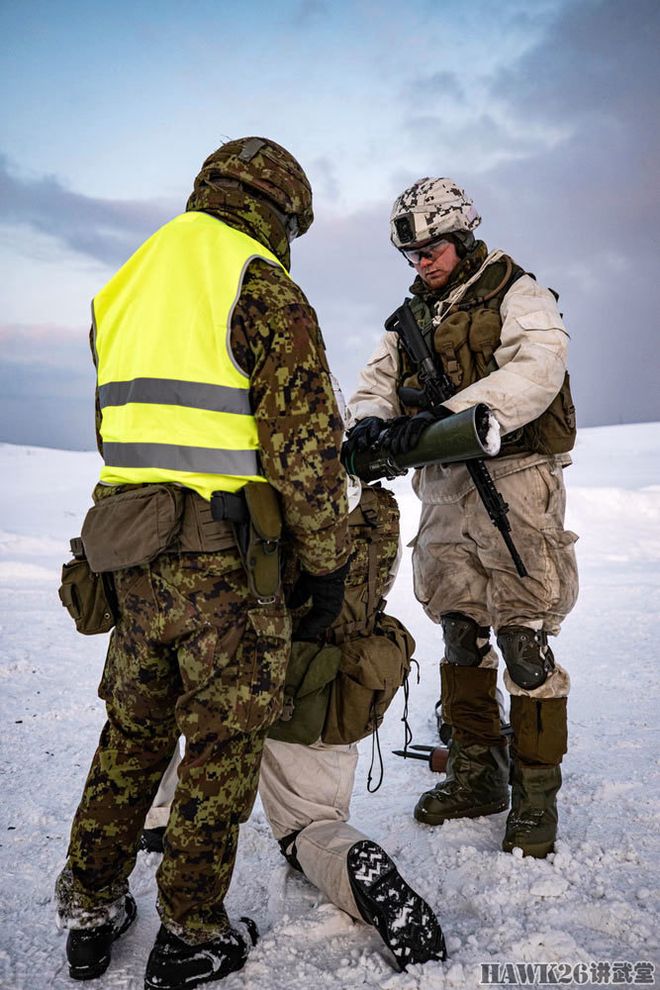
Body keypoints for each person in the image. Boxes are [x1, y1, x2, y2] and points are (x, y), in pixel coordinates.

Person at [54, 137, 351, 990]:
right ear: (282, 211)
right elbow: (306, 452)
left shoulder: (125, 282)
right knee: (222, 746)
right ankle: (189, 933)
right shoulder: (261, 284)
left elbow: (124, 431)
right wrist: (326, 566)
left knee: (133, 735)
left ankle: (89, 906)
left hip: (130, 553)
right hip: (225, 564)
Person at [140, 389, 447, 973]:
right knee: (313, 827)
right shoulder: (378, 513)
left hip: (247, 671)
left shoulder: (247, 494)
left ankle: (159, 820)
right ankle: (356, 865)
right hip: (323, 697)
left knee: (182, 722)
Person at [344, 177, 578, 859]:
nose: (423, 262)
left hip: (515, 478)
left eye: (433, 248)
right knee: (458, 628)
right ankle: (479, 774)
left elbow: (537, 370)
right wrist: (368, 430)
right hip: (443, 486)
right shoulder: (409, 319)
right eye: (412, 253)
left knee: (524, 636)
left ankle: (537, 797)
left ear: (462, 235)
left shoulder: (518, 293)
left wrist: (435, 424)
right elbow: (373, 387)